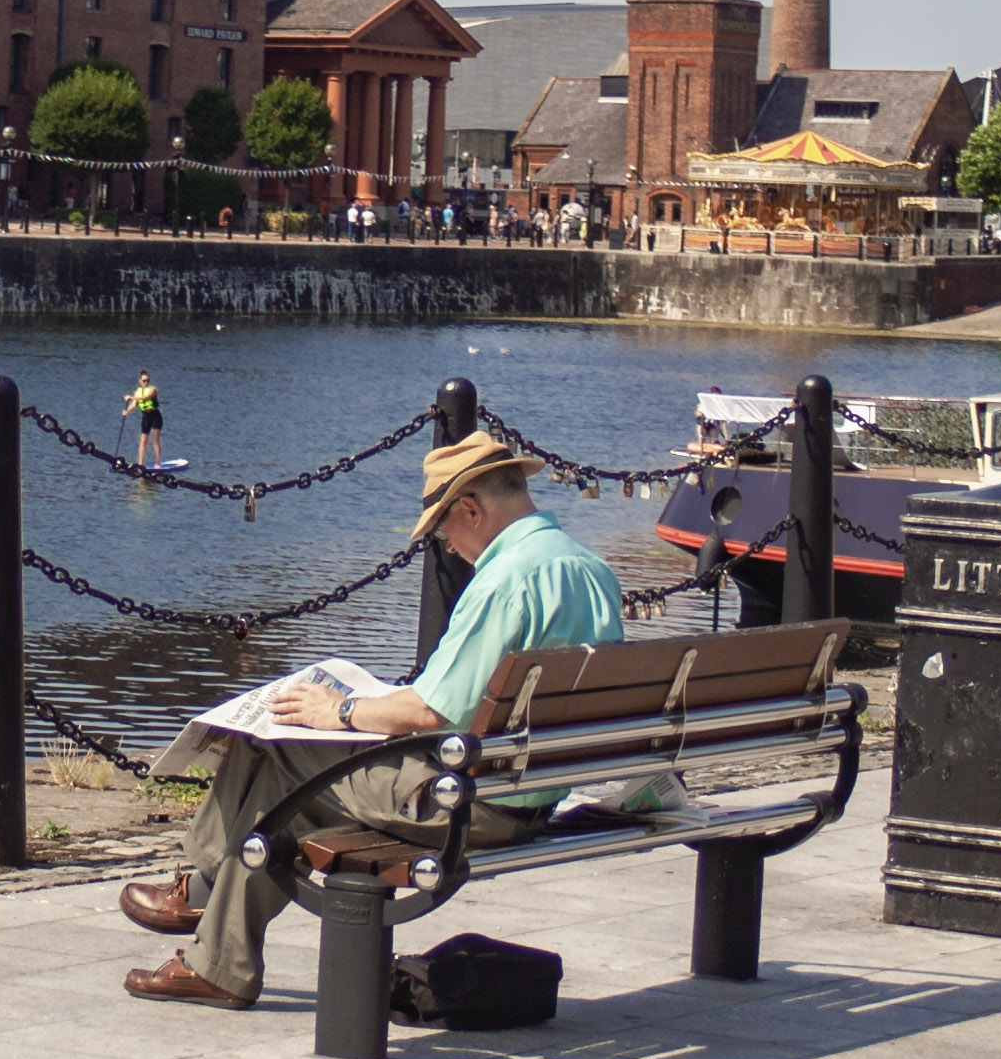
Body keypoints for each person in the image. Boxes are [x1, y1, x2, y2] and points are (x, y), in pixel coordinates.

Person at [119, 432, 627, 1009]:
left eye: (443, 529)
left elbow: (430, 710)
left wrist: (338, 710)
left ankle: (210, 905)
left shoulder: (504, 581)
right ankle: (212, 930)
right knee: (294, 784)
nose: (449, 545)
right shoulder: (591, 570)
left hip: (465, 804)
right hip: (531, 795)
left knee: (276, 749)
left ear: (471, 509)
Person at [122, 370, 167, 466]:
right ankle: (140, 464)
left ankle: (158, 463)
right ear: (140, 381)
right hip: (145, 417)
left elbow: (145, 398)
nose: (146, 382)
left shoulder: (153, 389)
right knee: (143, 441)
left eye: (148, 380)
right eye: (144, 381)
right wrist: (127, 412)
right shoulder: (137, 392)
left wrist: (131, 397)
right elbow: (134, 405)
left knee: (155, 440)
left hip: (155, 416)